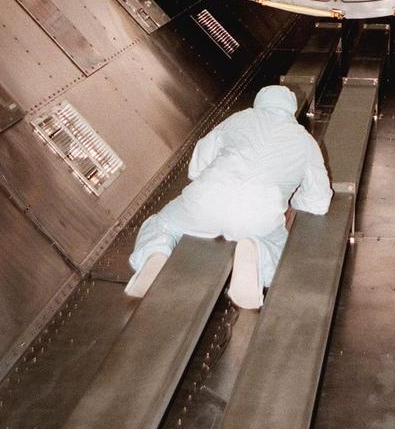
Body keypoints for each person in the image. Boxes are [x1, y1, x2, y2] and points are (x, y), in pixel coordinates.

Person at [126, 85, 332, 307]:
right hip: (256, 216)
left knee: (162, 225)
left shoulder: (238, 119)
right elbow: (318, 201)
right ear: (291, 110)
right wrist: (293, 199)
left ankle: (154, 254)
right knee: (276, 244)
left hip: (203, 203)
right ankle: (257, 255)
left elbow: (196, 167)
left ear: (259, 102)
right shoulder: (305, 141)